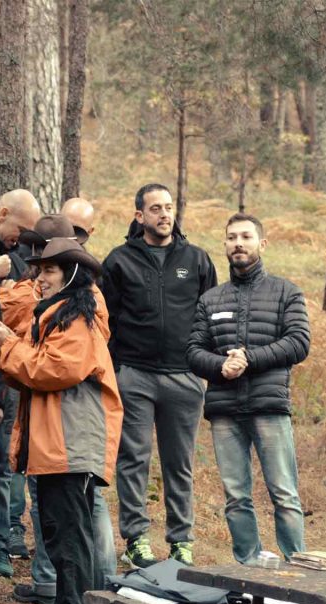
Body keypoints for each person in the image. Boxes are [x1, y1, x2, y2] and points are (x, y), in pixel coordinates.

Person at [0, 238, 122, 604]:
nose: (40, 278)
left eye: (49, 271)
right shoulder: (59, 315)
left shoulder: (76, 319)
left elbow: (52, 370)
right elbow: (32, 370)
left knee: (67, 531)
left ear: (71, 274)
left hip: (69, 442)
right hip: (61, 441)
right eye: (39, 269)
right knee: (70, 529)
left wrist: (8, 345)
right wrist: (13, 350)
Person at [101, 182, 218, 568]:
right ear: (140, 216)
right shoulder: (119, 261)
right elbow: (108, 321)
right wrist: (118, 370)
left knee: (178, 463)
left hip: (183, 378)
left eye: (168, 207)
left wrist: (202, 365)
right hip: (134, 376)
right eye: (155, 209)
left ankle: (181, 540)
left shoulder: (197, 259)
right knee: (133, 459)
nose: (164, 214)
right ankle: (136, 539)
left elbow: (208, 315)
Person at [186, 213, 310, 565]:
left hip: (269, 407)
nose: (238, 243)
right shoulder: (211, 300)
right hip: (225, 411)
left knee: (284, 493)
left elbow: (299, 343)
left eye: (245, 236)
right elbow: (193, 351)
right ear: (224, 245)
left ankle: (295, 567)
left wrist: (249, 358)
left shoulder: (287, 292)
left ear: (262, 243)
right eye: (231, 238)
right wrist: (220, 366)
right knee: (236, 496)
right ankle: (248, 563)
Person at [0, 189, 41, 578]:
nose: (24, 239)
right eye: (22, 228)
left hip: (3, 381)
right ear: (2, 213)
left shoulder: (20, 262)